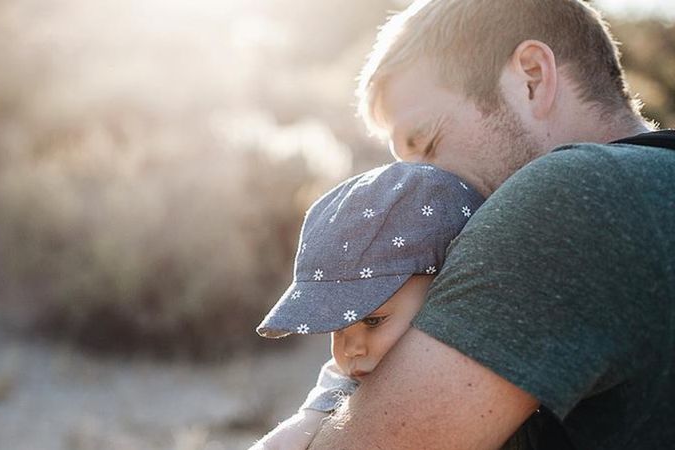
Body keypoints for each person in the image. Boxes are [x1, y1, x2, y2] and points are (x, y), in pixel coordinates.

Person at [302, 0, 675, 449]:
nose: (414, 186)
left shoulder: (568, 196)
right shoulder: (654, 182)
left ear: (533, 77)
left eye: (429, 142)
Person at [252, 162, 484, 449]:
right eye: (337, 328)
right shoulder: (349, 380)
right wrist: (307, 422)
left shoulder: (484, 369)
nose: (350, 349)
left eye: (373, 321)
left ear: (444, 289)